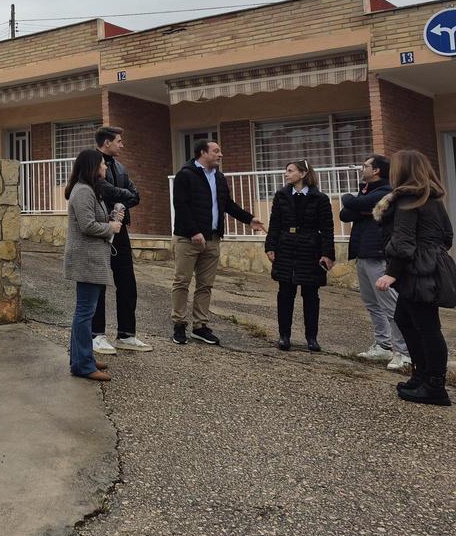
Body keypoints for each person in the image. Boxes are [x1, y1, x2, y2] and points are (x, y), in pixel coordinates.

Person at [374, 150, 454, 406]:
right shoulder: (431, 198)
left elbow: (403, 240)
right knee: (406, 319)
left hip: (417, 270)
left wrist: (391, 273)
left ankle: (434, 386)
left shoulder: (408, 200)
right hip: (431, 265)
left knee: (427, 326)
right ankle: (421, 376)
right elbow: (447, 236)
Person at [171, 139, 265, 345]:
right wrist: (194, 231)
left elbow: (228, 204)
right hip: (188, 239)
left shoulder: (219, 177)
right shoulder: (185, 175)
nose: (220, 154)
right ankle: (179, 324)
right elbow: (181, 206)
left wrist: (249, 219)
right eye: (216, 151)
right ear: (202, 153)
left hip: (212, 239)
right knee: (182, 282)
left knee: (205, 285)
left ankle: (200, 326)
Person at [340, 154, 411, 370]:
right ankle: (383, 345)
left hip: (378, 253)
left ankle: (405, 352)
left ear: (377, 170)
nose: (363, 168)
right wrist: (363, 209)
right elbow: (345, 214)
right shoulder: (367, 190)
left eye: (366, 166)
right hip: (362, 252)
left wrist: (357, 204)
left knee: (390, 305)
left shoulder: (386, 190)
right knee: (372, 304)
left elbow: (350, 202)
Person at [91, 126, 153, 354]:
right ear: (107, 143)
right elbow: (101, 188)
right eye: (119, 141)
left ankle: (127, 334)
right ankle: (96, 335)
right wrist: (122, 194)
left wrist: (120, 197)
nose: (122, 145)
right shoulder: (92, 164)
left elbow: (135, 195)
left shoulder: (120, 167)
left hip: (121, 230)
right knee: (99, 283)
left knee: (127, 281)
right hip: (101, 229)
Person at [64, 148, 124, 381]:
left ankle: (82, 357)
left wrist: (111, 219)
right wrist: (111, 228)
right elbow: (87, 226)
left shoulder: (89, 190)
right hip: (86, 260)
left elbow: (92, 221)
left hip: (92, 259)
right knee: (84, 312)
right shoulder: (83, 192)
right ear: (92, 166)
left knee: (84, 312)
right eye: (102, 163)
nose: (105, 167)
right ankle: (83, 365)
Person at [265, 159, 335, 352]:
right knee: (285, 294)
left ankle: (311, 338)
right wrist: (270, 246)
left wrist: (327, 254)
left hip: (310, 249)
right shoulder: (281, 195)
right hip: (286, 247)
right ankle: (284, 336)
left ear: (303, 174)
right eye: (286, 171)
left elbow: (327, 228)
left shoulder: (319, 198)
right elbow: (275, 224)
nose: (286, 174)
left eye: (290, 171)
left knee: (311, 295)